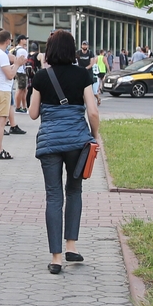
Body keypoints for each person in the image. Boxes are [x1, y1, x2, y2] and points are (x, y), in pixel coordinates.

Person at [28, 30, 100, 274]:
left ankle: (56, 258)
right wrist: (95, 135)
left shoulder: (41, 76)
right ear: (72, 50)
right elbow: (92, 111)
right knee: (74, 190)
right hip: (77, 142)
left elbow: (33, 113)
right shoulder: (82, 75)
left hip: (49, 144)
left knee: (53, 196)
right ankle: (71, 245)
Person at [0, 30, 28, 160]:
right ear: (7, 41)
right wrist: (17, 64)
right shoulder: (1, 54)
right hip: (1, 90)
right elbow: (10, 75)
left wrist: (15, 65)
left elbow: (6, 72)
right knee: (1, 122)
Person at [14, 36, 31, 113]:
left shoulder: (16, 49)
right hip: (21, 71)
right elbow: (25, 60)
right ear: (21, 40)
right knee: (21, 89)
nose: (26, 41)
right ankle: (18, 107)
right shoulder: (22, 50)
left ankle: (23, 106)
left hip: (17, 70)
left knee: (23, 89)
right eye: (24, 39)